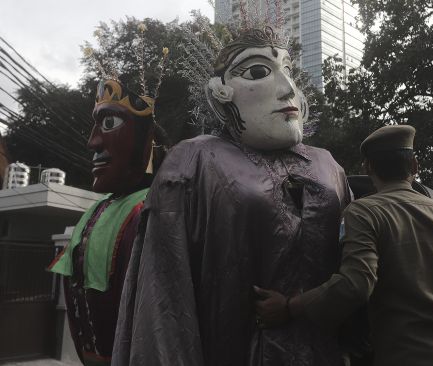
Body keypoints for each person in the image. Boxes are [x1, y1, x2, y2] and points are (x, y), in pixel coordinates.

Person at [112, 27, 351, 366]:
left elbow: (355, 267)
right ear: (221, 91)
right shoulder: (194, 161)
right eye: (257, 72)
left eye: (289, 71)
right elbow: (164, 296)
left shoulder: (327, 165)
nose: (287, 89)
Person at [255, 125, 433, 366]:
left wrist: (290, 307)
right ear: (415, 166)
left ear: (368, 168)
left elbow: (356, 284)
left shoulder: (364, 213)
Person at [48, 79, 164, 365]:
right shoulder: (99, 209)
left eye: (109, 122)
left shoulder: (154, 211)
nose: (93, 142)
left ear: (149, 139)